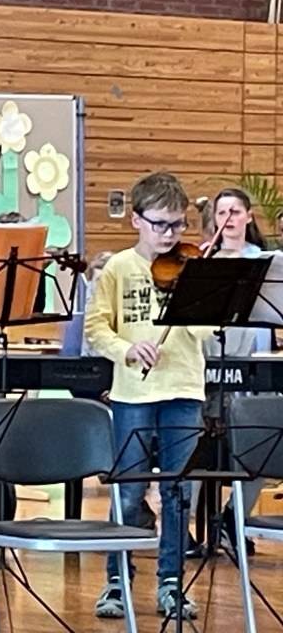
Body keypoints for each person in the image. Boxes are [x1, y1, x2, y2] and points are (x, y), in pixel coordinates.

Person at [85, 171, 210, 621]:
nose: (170, 235)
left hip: (184, 389)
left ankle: (172, 582)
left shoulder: (193, 268)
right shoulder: (119, 268)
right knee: (128, 490)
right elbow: (96, 327)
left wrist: (196, 297)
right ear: (136, 220)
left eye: (178, 225)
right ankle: (117, 581)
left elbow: (204, 330)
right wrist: (127, 349)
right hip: (133, 394)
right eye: (160, 224)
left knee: (178, 491)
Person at [199, 188, 270, 555]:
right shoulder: (203, 261)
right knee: (196, 446)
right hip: (210, 364)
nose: (228, 218)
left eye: (235, 211)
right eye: (221, 212)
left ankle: (232, 516)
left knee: (265, 444)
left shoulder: (265, 262)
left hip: (252, 362)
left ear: (248, 217)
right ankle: (182, 529)